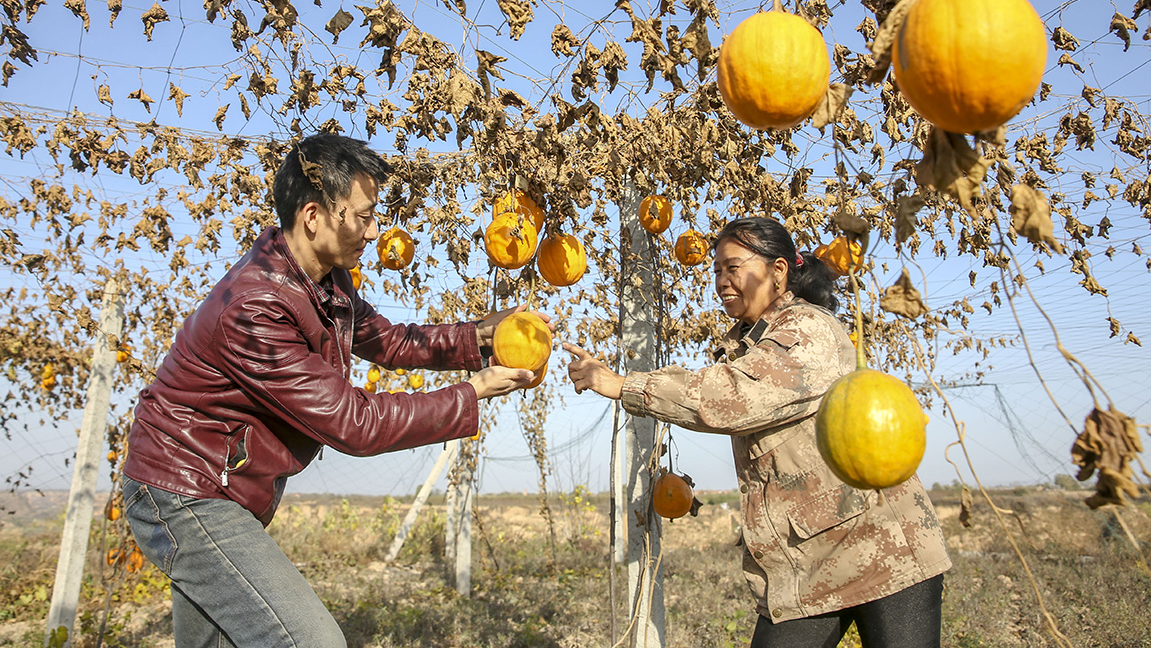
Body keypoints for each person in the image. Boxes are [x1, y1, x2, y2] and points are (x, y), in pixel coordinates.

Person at [121, 133, 545, 648]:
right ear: (314, 216)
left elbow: (388, 341)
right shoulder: (256, 309)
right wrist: (473, 392)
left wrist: (479, 334)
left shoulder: (325, 281)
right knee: (312, 640)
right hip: (183, 487)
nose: (374, 231)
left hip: (221, 485)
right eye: (363, 216)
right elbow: (355, 425)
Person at [564, 216, 951, 648]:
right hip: (808, 568)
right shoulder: (753, 343)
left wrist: (623, 385)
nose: (721, 282)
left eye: (733, 267)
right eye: (715, 271)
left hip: (883, 548)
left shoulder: (807, 329)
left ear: (779, 270)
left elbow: (734, 397)